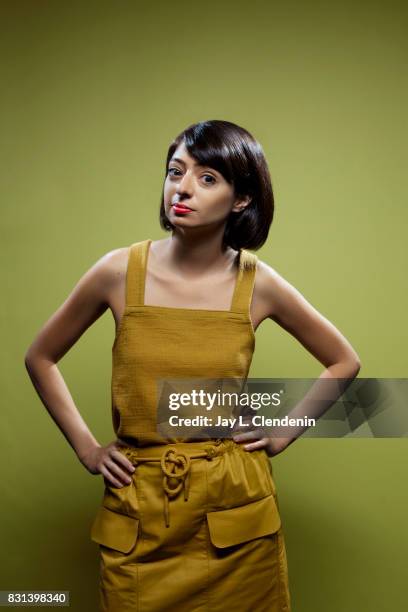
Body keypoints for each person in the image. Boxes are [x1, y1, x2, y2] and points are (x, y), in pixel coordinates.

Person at [24, 119, 361, 612]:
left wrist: (284, 430)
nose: (182, 188)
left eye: (208, 178)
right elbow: (40, 357)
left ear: (241, 198)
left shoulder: (258, 282)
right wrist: (88, 450)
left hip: (236, 520)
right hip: (140, 515)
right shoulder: (117, 271)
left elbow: (343, 361)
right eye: (175, 171)